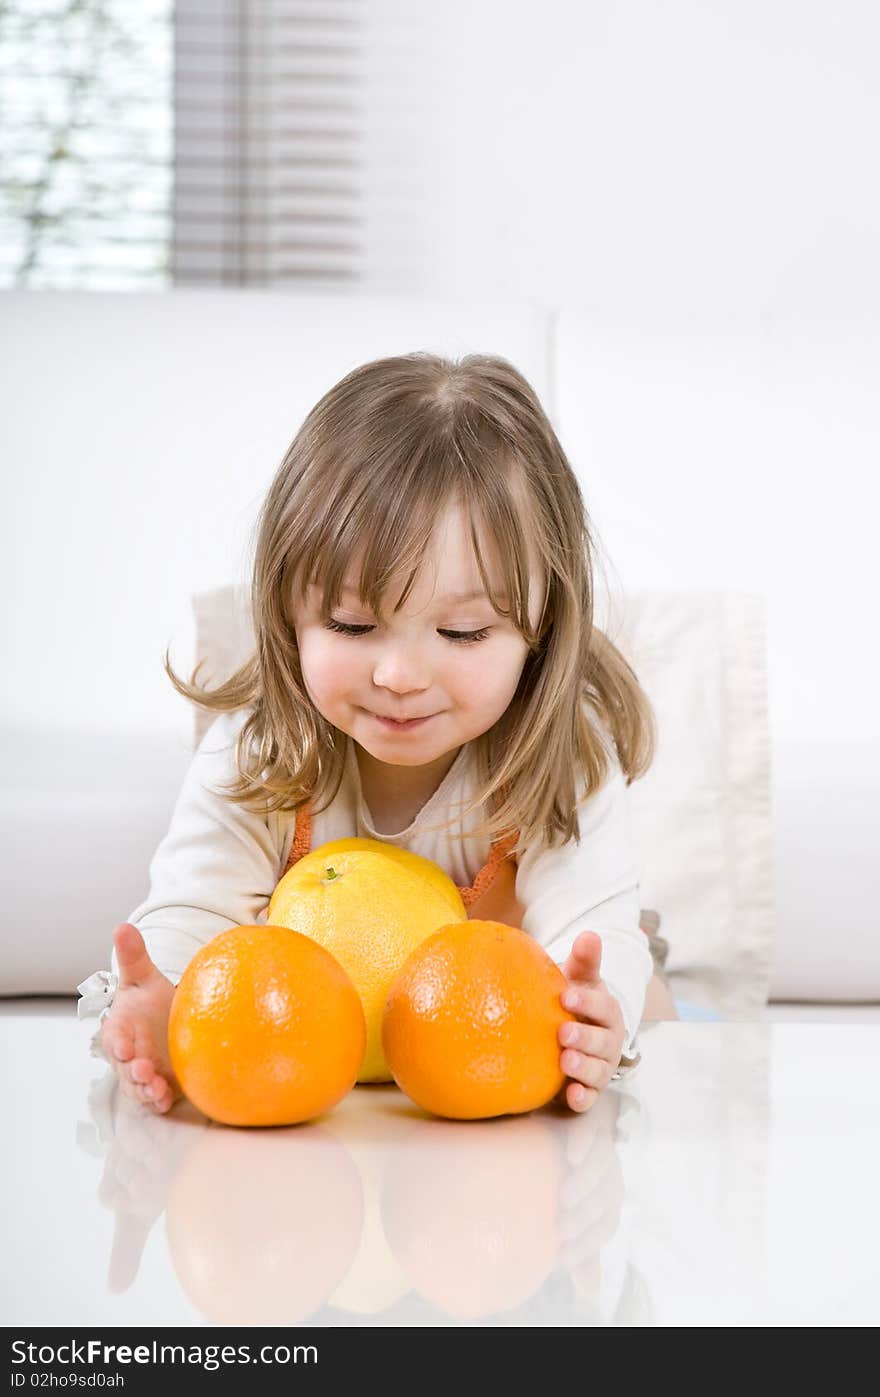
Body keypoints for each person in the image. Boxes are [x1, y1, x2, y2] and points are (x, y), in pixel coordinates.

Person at [79, 351, 678, 1119]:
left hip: (487, 1056)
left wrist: (596, 1019)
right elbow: (192, 914)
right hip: (350, 1077)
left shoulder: (560, 760)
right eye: (352, 624)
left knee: (647, 1021)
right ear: (286, 610)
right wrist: (160, 1001)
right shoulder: (261, 749)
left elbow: (592, 930)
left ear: (543, 630)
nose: (399, 673)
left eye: (462, 631)